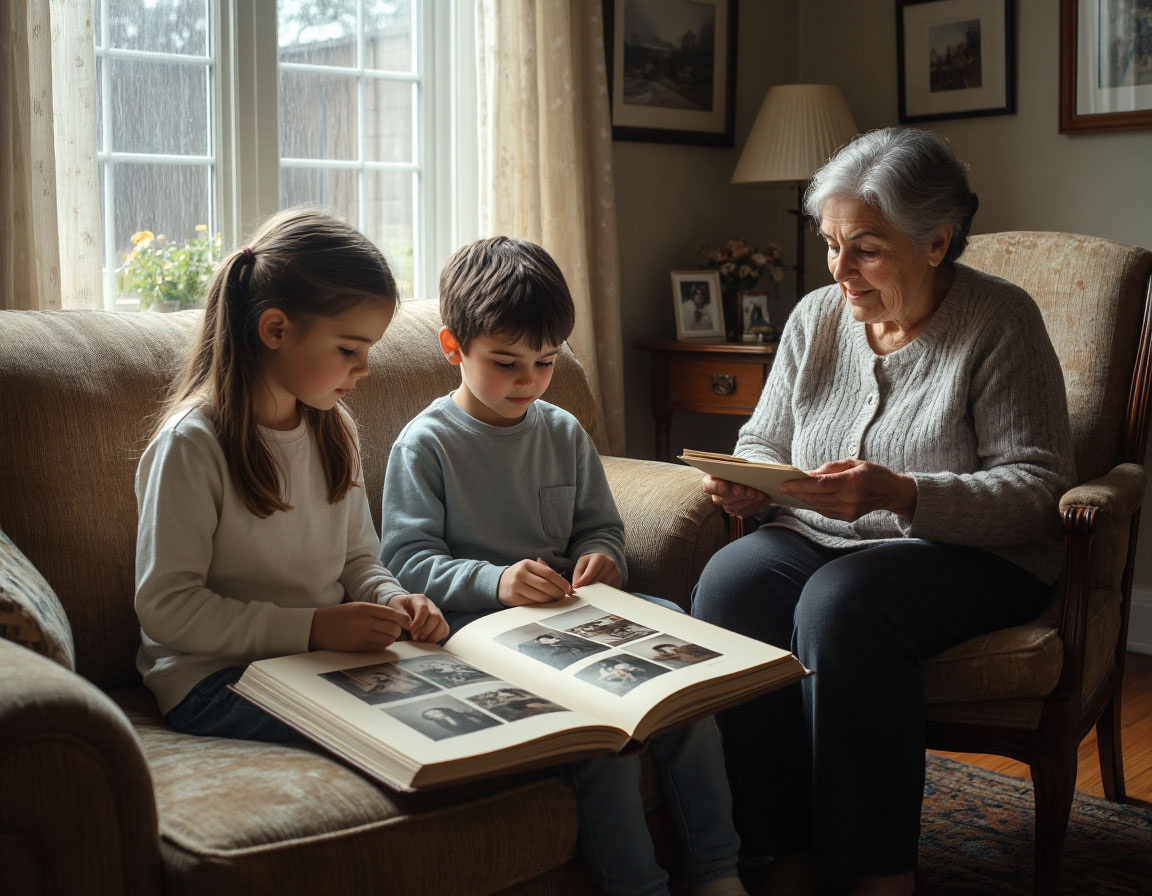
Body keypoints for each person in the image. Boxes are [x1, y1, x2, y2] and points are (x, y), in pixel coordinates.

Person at [690, 127, 1074, 896]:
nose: (840, 271)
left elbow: (1037, 490)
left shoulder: (1001, 322)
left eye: (864, 247)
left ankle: (877, 873)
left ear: (936, 241)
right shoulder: (814, 319)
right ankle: (782, 850)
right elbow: (765, 436)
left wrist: (903, 494)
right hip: (816, 532)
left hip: (967, 556)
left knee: (843, 607)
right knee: (730, 584)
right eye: (831, 244)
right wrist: (749, 481)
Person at [380, 236, 748, 896]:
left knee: (683, 682)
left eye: (545, 362)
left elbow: (599, 526)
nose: (528, 381)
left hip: (572, 621)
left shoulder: (561, 432)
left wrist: (601, 557)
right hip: (478, 634)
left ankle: (719, 870)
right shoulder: (425, 445)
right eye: (506, 363)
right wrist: (494, 580)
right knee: (600, 744)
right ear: (452, 348)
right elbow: (404, 562)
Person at [134, 207, 449, 744]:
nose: (364, 368)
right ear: (275, 329)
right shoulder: (192, 444)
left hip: (319, 659)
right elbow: (167, 607)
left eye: (368, 350)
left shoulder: (334, 429)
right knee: (401, 735)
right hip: (213, 679)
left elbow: (357, 558)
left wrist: (392, 599)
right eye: (349, 349)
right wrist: (312, 628)